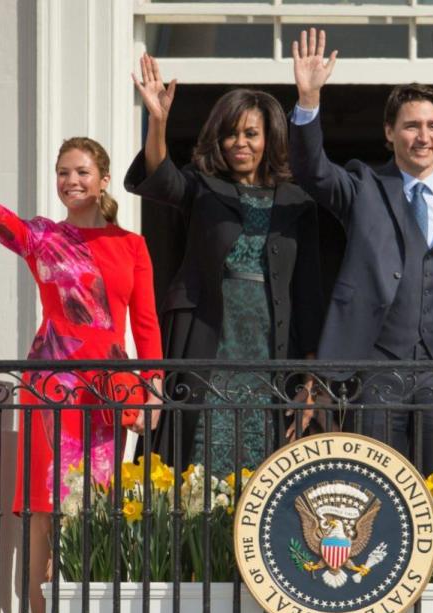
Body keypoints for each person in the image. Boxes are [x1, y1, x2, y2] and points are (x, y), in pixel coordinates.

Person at [0, 89, 163, 613]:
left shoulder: (132, 246)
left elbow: (146, 328)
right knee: (46, 511)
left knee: (98, 509)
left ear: (102, 181)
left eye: (81, 171)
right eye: (61, 173)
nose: (69, 180)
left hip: (109, 390)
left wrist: (151, 392)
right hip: (52, 388)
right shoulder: (44, 237)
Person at [289, 28, 433, 481]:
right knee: (375, 492)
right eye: (412, 126)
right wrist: (308, 99)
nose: (423, 136)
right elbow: (313, 171)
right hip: (376, 370)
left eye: (432, 126)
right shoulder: (363, 187)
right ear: (389, 132)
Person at [125, 54, 325, 475]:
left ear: (269, 138)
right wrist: (157, 121)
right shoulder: (202, 187)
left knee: (265, 459)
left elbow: (308, 293)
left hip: (271, 342)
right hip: (208, 334)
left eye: (251, 134)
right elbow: (161, 177)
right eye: (231, 134)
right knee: (198, 446)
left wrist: (310, 380)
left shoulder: (298, 202)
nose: (240, 143)